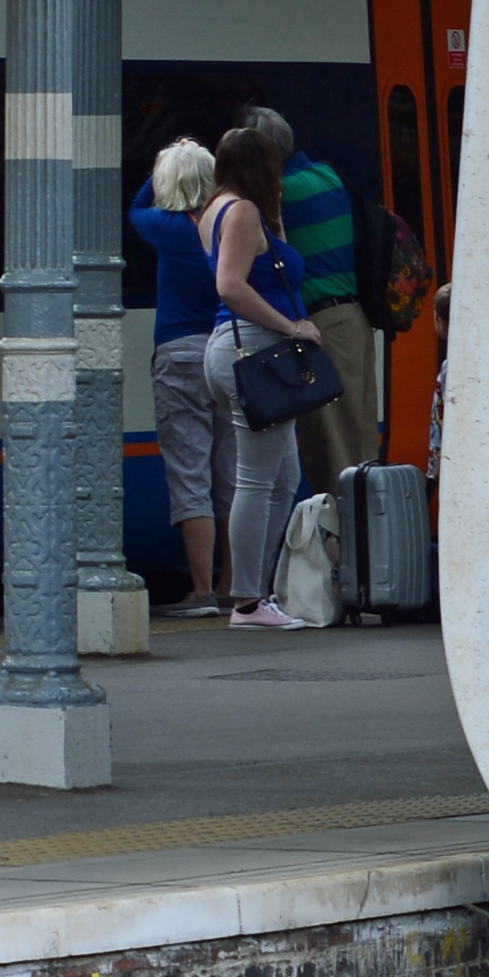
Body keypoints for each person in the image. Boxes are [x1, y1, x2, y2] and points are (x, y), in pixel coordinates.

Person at [202, 127, 326, 630]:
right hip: (257, 352)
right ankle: (249, 602)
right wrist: (292, 327)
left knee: (284, 478)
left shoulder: (222, 208)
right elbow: (230, 286)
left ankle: (260, 593)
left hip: (245, 353)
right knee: (256, 480)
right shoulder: (243, 211)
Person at [244, 108, 373, 488]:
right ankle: (362, 537)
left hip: (323, 327)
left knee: (332, 449)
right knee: (357, 443)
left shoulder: (280, 196)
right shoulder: (327, 175)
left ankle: (340, 540)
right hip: (351, 320)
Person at [131, 140, 232, 618]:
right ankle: (236, 583)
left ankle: (201, 590)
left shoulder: (166, 227)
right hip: (231, 352)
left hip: (181, 356)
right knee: (237, 477)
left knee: (190, 477)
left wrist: (167, 168)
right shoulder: (230, 224)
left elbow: (136, 206)